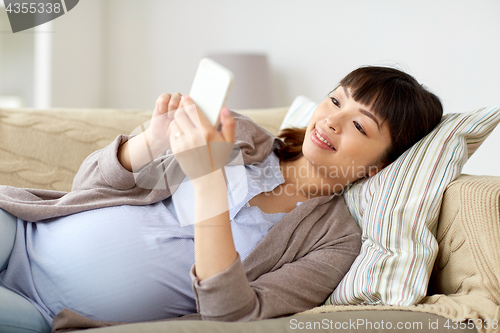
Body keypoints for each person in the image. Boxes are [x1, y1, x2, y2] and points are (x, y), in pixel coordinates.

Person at [0, 66, 443, 332]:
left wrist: (209, 180)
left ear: (378, 168)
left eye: (360, 126)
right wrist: (152, 141)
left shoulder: (335, 242)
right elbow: (89, 185)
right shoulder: (243, 137)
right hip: (21, 229)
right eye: (334, 101)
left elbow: (232, 317)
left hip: (46, 312)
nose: (331, 122)